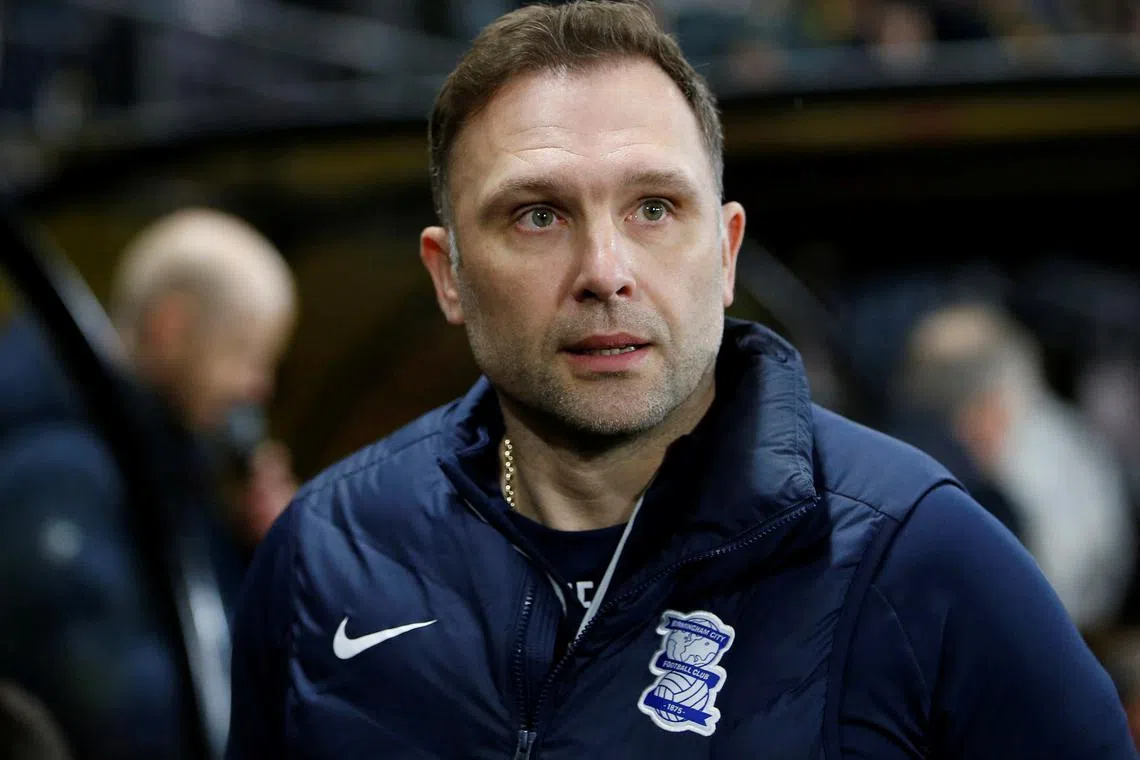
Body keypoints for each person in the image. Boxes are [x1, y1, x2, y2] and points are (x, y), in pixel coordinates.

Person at [226, 2, 1137, 758]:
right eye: (539, 215)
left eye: (655, 208)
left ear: (728, 250)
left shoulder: (921, 558)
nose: (606, 269)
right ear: (449, 273)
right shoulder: (324, 555)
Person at [0, 208, 298, 760]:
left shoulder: (166, 465)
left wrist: (266, 557)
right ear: (171, 326)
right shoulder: (56, 475)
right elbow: (129, 714)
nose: (258, 388)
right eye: (246, 354)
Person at [897, 301, 1135, 634]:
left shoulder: (1040, 466)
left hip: (1067, 632)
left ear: (984, 408)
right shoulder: (1030, 425)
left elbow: (1061, 597)